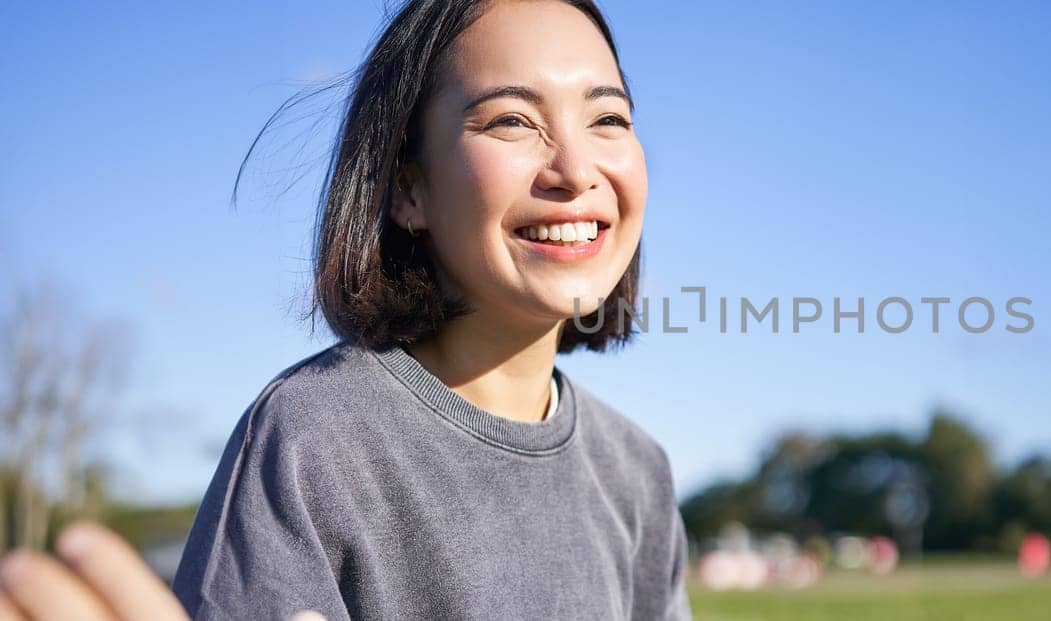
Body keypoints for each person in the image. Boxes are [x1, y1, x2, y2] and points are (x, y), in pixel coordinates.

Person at [4, 0, 688, 618]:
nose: (575, 168)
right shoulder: (310, 440)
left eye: (608, 119)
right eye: (512, 120)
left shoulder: (638, 473)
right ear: (407, 190)